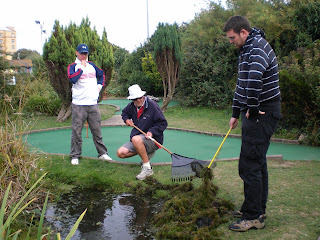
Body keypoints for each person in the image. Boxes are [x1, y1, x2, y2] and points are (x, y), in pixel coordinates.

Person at [223, 16, 281, 232]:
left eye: (232, 37)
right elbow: (243, 83)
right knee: (257, 163)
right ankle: (257, 208)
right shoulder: (246, 50)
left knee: (249, 165)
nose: (230, 41)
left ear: (243, 32)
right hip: (255, 113)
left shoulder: (257, 47)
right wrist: (235, 113)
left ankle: (253, 216)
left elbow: (255, 80)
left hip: (263, 113)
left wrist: (253, 109)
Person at [67, 43, 112, 165]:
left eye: (85, 53)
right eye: (81, 53)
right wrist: (81, 68)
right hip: (78, 105)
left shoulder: (92, 66)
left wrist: (99, 87)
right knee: (76, 131)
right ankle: (75, 155)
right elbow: (72, 79)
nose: (83, 56)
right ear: (76, 53)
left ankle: (102, 153)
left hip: (92, 104)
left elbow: (101, 75)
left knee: (97, 131)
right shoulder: (73, 66)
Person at [117, 84, 168, 180]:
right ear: (132, 100)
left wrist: (152, 132)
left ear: (143, 96)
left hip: (154, 139)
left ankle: (147, 168)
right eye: (135, 99)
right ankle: (145, 154)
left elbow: (163, 123)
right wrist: (126, 120)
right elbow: (124, 113)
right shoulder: (131, 106)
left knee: (135, 139)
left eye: (140, 97)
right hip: (138, 138)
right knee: (120, 153)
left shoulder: (153, 106)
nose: (138, 100)